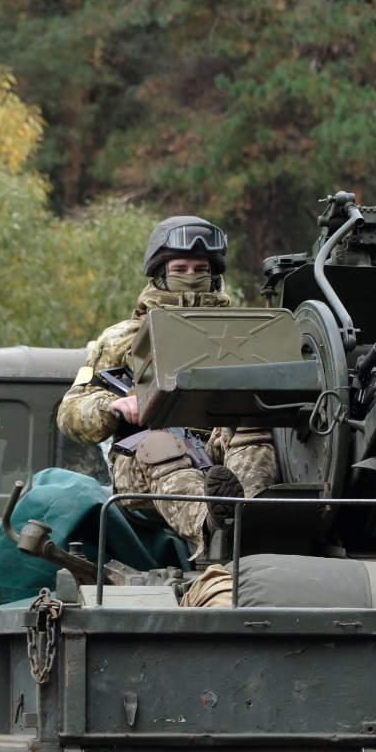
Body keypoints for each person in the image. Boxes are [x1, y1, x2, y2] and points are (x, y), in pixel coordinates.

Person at [57, 216, 279, 563]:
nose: (190, 276)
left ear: (214, 273)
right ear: (160, 272)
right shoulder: (122, 338)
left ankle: (251, 518)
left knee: (252, 426)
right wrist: (113, 406)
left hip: (218, 454)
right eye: (179, 268)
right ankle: (211, 526)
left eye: (200, 268)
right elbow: (70, 413)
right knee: (160, 444)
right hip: (144, 466)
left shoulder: (239, 333)